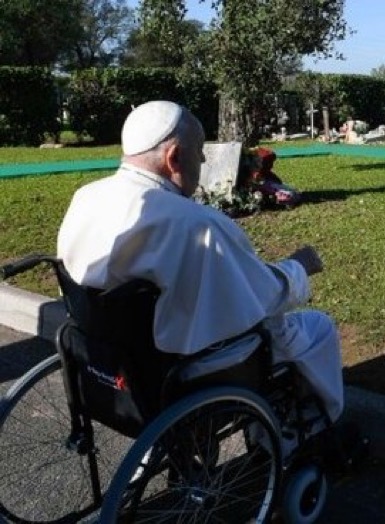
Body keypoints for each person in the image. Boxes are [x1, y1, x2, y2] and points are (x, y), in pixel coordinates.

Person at [57, 100, 343, 424]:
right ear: (174, 157)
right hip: (185, 368)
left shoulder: (86, 196)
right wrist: (298, 267)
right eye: (199, 151)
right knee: (317, 327)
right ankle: (317, 428)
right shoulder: (196, 224)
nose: (204, 159)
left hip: (110, 359)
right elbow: (262, 297)